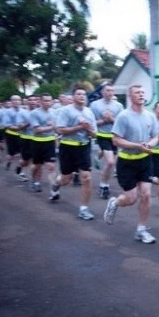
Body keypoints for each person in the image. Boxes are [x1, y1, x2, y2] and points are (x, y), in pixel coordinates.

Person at [103, 85, 159, 244]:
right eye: (137, 93)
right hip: (126, 161)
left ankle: (141, 230)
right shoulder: (124, 116)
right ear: (130, 96)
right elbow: (116, 140)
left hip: (144, 160)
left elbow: (156, 137)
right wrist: (137, 146)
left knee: (146, 194)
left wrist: (150, 145)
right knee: (131, 198)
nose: (141, 95)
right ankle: (115, 202)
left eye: (143, 92)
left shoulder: (150, 116)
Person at [50, 87, 97, 220]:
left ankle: (84, 209)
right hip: (68, 147)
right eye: (79, 94)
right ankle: (56, 184)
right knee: (66, 179)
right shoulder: (66, 111)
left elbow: (95, 134)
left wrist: (89, 130)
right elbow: (59, 130)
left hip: (84, 147)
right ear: (74, 96)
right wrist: (79, 127)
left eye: (84, 94)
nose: (82, 96)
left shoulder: (89, 112)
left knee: (87, 178)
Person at [90, 84, 124, 200]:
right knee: (110, 162)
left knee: (111, 163)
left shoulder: (119, 106)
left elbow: (121, 123)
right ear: (102, 92)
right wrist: (104, 120)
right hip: (102, 135)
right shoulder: (95, 105)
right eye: (108, 90)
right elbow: (91, 122)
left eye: (112, 90)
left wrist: (111, 119)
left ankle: (104, 184)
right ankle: (103, 185)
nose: (110, 92)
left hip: (114, 136)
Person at [29, 94, 57, 193]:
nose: (47, 103)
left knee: (51, 166)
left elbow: (58, 127)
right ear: (40, 102)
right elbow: (37, 130)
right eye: (45, 101)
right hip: (37, 142)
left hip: (50, 142)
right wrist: (51, 127)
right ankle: (34, 180)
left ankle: (54, 189)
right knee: (37, 165)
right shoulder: (34, 113)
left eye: (49, 101)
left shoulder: (54, 112)